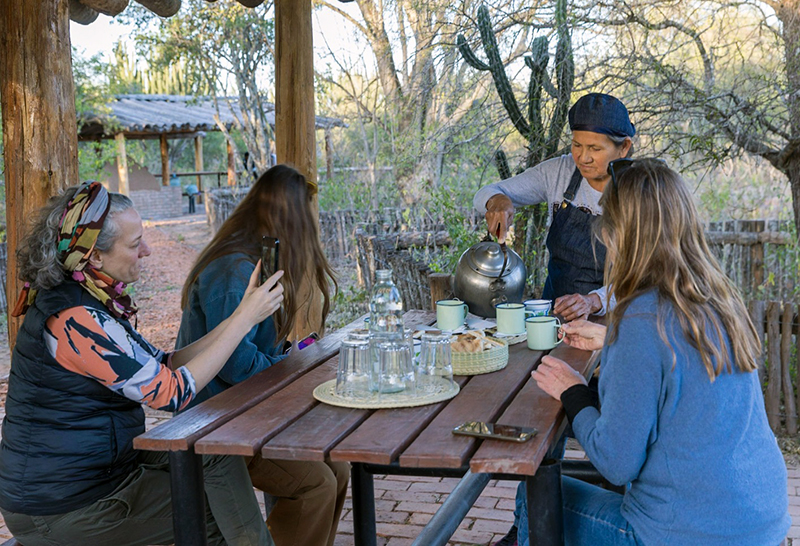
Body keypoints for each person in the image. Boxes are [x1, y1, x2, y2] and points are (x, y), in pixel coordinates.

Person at [519, 159, 790, 545]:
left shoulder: (642, 319)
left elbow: (616, 463)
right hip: (761, 523)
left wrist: (572, 391)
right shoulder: (716, 299)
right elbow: (675, 364)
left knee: (534, 493)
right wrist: (612, 339)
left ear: (618, 235)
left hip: (685, 535)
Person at [0, 182, 283, 546]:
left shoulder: (89, 297)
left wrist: (236, 317)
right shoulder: (76, 319)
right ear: (95, 257)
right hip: (62, 506)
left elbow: (162, 364)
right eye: (135, 245)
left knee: (215, 453)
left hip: (97, 474)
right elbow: (171, 392)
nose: (147, 251)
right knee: (212, 520)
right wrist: (244, 320)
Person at [176, 164, 348, 546]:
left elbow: (258, 349)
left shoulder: (258, 258)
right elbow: (239, 365)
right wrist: (293, 367)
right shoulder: (232, 269)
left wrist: (291, 355)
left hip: (245, 411)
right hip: (215, 420)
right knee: (316, 484)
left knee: (338, 467)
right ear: (290, 216)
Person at [474, 92, 634, 323]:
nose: (583, 157)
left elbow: (648, 278)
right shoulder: (559, 172)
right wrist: (498, 200)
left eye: (595, 149)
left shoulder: (641, 190)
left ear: (624, 147)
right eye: (577, 145)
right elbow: (484, 193)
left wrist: (593, 301)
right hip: (555, 314)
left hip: (614, 323)